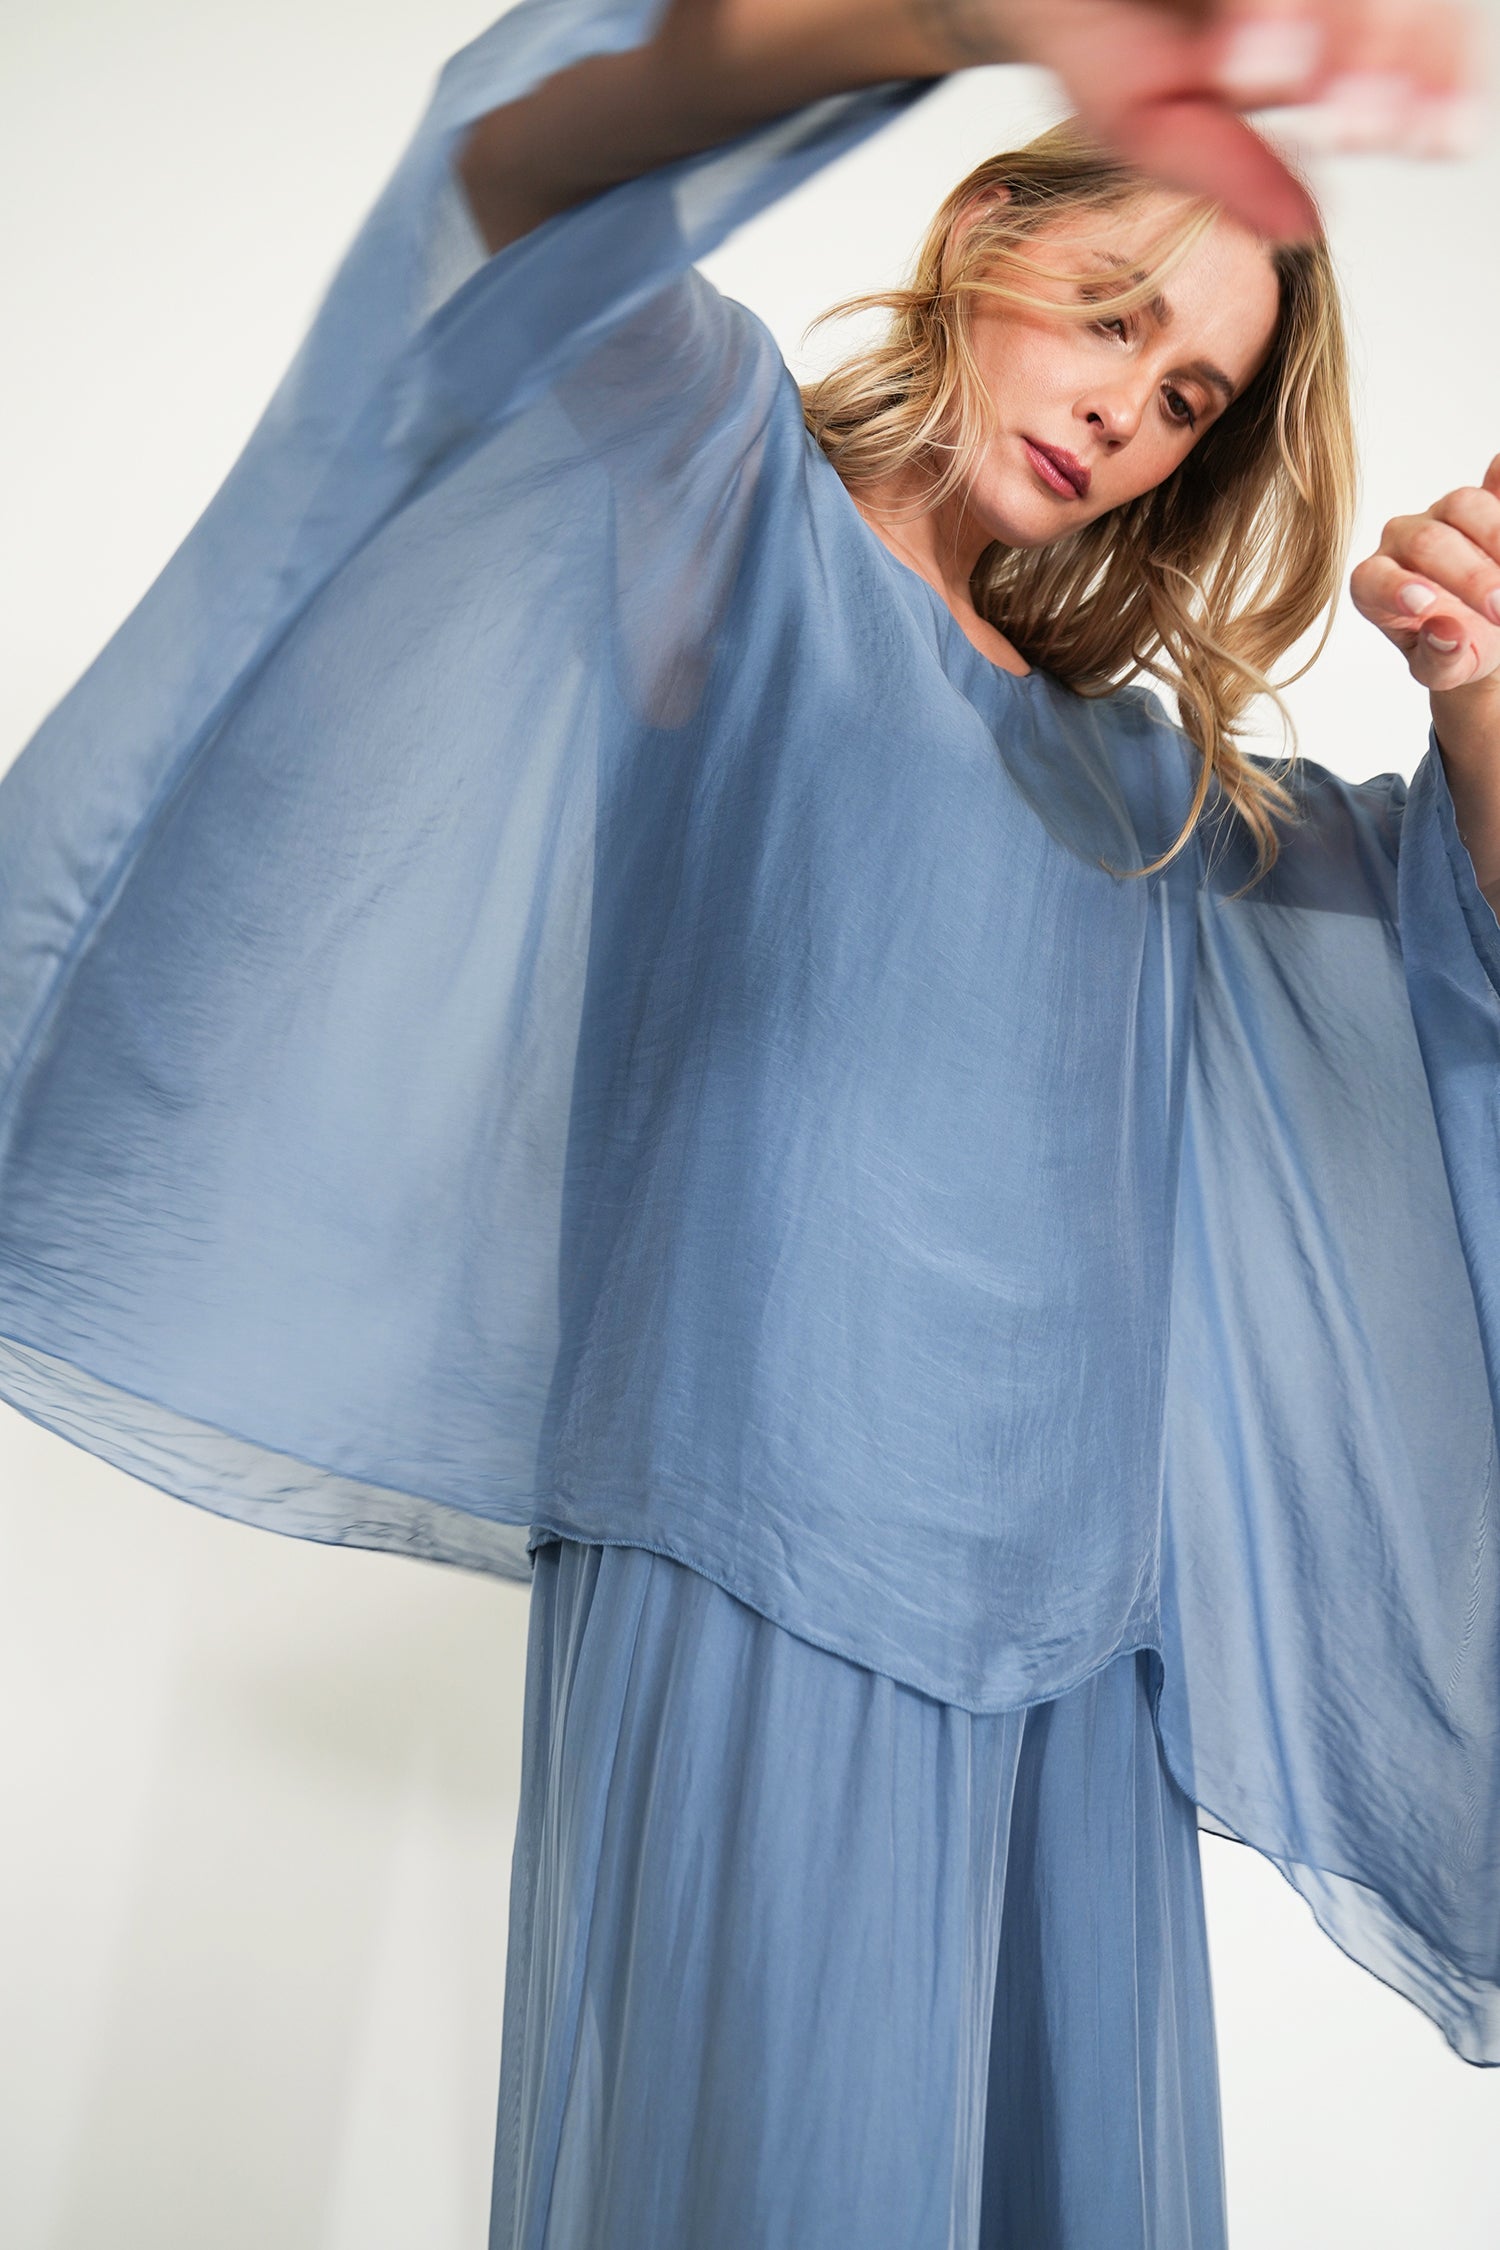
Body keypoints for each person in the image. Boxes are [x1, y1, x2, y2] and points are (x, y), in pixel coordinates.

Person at [0, 0, 1496, 2242]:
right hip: (755, 1536)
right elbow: (526, 166)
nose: (1129, 406)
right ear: (985, 232)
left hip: (1080, 1648)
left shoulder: (1152, 789)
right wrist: (964, 13)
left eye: (1190, 394)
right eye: (1112, 314)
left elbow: (1458, 973)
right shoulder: (718, 507)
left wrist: (1477, 689)